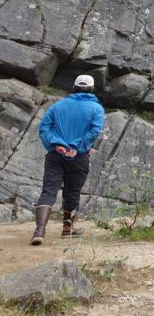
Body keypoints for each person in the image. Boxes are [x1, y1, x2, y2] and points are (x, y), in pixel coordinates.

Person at [30, 74, 105, 245]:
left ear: (74, 87)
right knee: (72, 192)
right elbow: (94, 132)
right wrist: (78, 148)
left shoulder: (58, 106)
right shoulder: (96, 109)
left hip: (55, 155)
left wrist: (54, 145)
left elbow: (44, 128)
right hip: (79, 157)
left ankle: (39, 231)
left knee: (48, 191)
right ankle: (66, 228)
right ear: (91, 89)